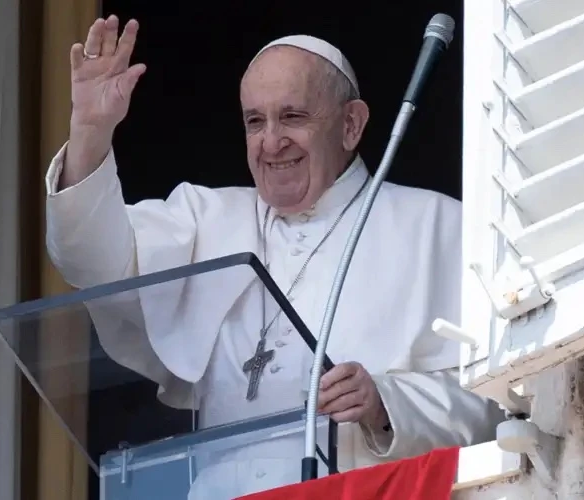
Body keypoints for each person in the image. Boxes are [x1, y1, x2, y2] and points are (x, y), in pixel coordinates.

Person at [46, 15, 506, 499]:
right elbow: (92, 261)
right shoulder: (207, 218)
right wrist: (91, 132)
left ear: (351, 124)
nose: (271, 142)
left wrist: (386, 405)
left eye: (293, 117)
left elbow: (497, 403)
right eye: (254, 121)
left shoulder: (438, 226)